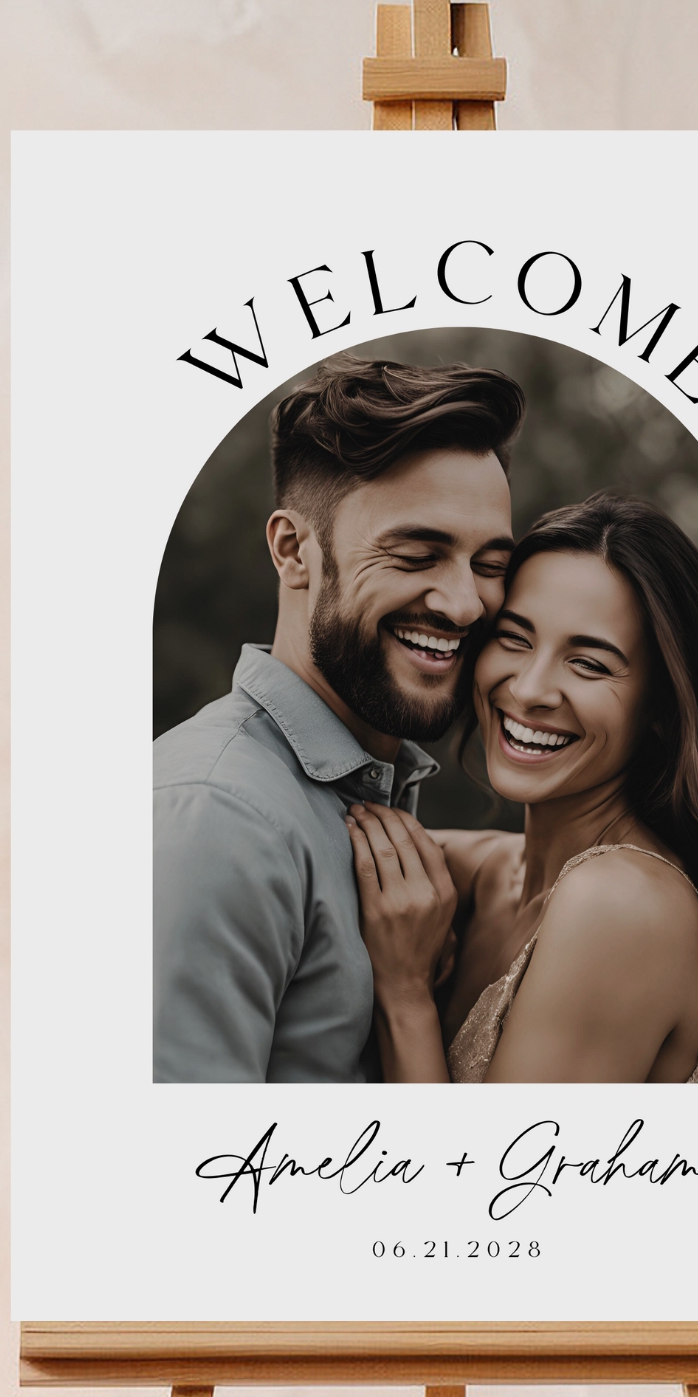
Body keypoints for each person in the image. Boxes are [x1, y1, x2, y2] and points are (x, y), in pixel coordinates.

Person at [153, 354, 524, 1081]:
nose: (464, 604)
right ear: (294, 551)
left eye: (488, 563)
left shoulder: (361, 800)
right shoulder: (216, 819)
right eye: (418, 553)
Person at [347, 492, 698, 1083]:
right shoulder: (483, 873)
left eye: (590, 664)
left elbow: (498, 1175)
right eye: (515, 639)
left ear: (663, 708)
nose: (530, 689)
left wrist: (404, 995)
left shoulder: (624, 905)